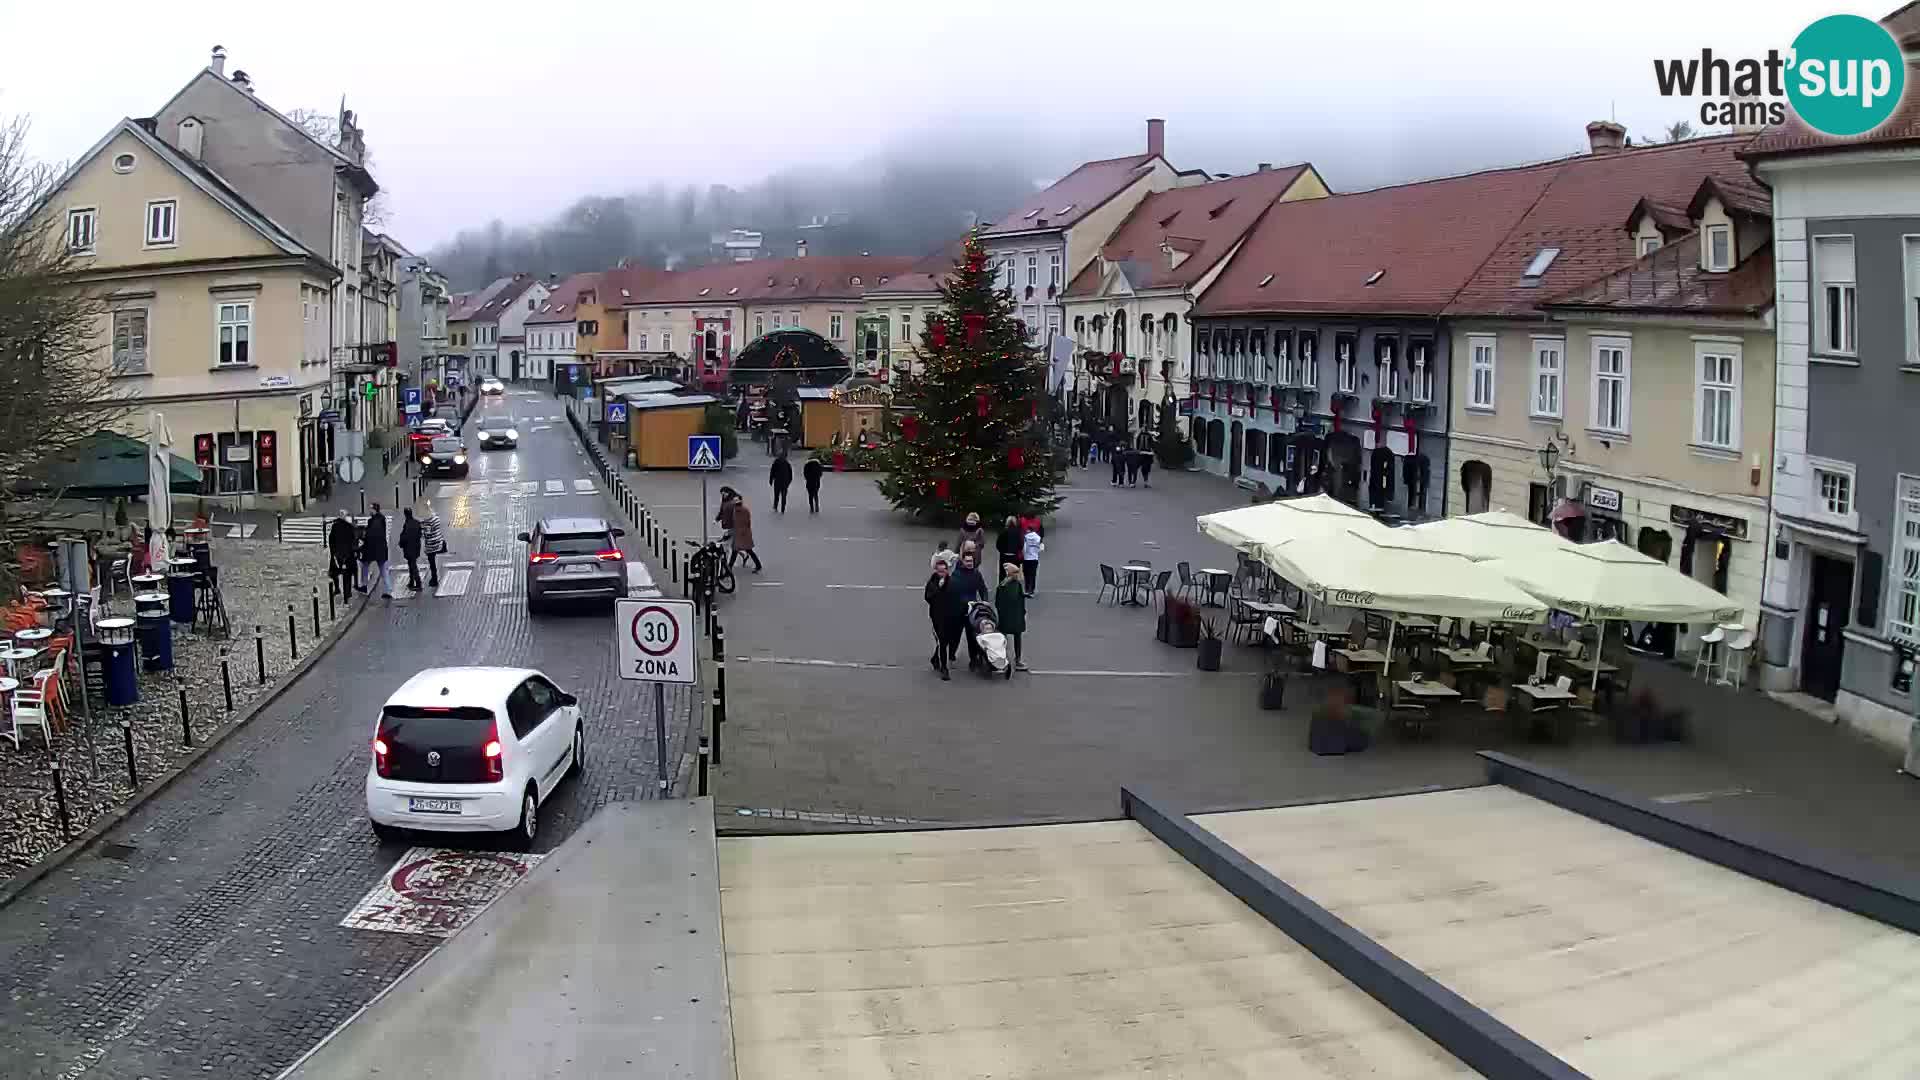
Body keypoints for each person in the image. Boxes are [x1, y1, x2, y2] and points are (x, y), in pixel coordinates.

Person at [924, 558, 967, 680]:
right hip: (937, 617)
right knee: (942, 641)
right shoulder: (932, 583)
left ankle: (935, 658)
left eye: (944, 571)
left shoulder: (953, 582)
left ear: (947, 570)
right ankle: (944, 668)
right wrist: (939, 588)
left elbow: (957, 597)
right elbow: (928, 598)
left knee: (948, 640)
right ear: (936, 571)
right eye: (939, 571)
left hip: (951, 616)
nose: (942, 573)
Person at [949, 551, 990, 671]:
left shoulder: (976, 574)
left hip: (973, 610)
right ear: (962, 561)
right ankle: (951, 655)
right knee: (955, 635)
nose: (970, 563)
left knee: (972, 637)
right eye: (967, 561)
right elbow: (952, 593)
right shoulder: (956, 575)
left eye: (971, 561)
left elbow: (983, 589)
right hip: (959, 610)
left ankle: (974, 660)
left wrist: (984, 600)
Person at [995, 564, 1029, 674]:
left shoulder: (1017, 584)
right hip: (1007, 616)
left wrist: (1023, 611)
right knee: (1003, 639)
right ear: (1010, 573)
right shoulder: (1003, 586)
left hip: (1017, 615)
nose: (1017, 575)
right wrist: (1002, 614)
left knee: (1017, 637)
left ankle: (1018, 659)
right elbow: (998, 602)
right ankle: (1002, 659)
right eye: (1015, 573)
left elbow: (1020, 598)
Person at [358, 502, 392, 599]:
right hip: (381, 549)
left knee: (365, 565)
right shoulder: (382, 519)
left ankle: (364, 585)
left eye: (371, 509)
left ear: (374, 510)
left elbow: (370, 536)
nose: (369, 511)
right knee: (383, 569)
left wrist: (363, 540)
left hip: (373, 550)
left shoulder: (373, 521)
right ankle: (388, 590)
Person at [326, 510, 357, 601]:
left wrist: (333, 552)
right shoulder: (349, 527)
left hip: (337, 554)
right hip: (348, 554)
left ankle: (337, 588)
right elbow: (353, 539)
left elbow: (331, 540)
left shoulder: (335, 526)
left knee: (335, 572)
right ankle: (348, 592)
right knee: (348, 573)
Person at [729, 496, 762, 572]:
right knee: (747, 550)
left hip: (742, 534)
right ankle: (758, 565)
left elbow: (743, 522)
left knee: (737, 551)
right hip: (743, 533)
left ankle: (729, 567)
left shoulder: (739, 511)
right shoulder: (742, 510)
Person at [420, 501, 447, 588]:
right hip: (438, 542)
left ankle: (434, 579)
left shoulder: (427, 521)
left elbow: (427, 534)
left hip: (431, 545)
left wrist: (422, 530)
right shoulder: (436, 517)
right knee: (434, 560)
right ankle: (436, 575)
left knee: (432, 563)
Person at [398, 508, 424, 592]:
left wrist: (401, 543)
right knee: (411, 564)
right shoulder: (416, 522)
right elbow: (420, 534)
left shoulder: (407, 524)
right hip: (416, 547)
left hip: (409, 548)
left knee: (412, 565)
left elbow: (404, 537)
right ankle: (411, 582)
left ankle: (418, 583)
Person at [994, 515, 1023, 583]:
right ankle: (1013, 588)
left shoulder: (1003, 532)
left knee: (1003, 573)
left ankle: (1002, 588)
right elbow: (1020, 544)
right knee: (1014, 573)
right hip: (1014, 556)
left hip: (1004, 556)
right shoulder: (1017, 532)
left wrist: (1002, 551)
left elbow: (998, 544)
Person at [1021, 519, 1044, 598]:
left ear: (1028, 530)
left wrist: (1024, 554)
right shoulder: (1038, 537)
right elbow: (1041, 548)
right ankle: (1032, 591)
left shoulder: (1025, 537)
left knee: (1026, 574)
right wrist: (1036, 550)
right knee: (1033, 575)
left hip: (1026, 558)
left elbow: (1023, 548)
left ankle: (1027, 589)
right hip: (1034, 558)